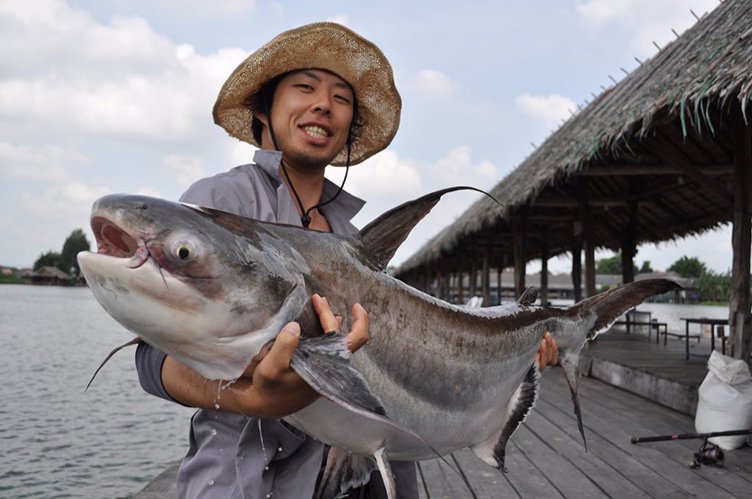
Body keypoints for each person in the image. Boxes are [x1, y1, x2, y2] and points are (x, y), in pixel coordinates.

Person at [135, 22, 559, 499]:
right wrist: (247, 398)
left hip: (371, 475)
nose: (323, 104)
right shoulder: (217, 204)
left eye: (341, 97)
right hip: (244, 482)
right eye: (304, 87)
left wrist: (520, 358)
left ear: (349, 128)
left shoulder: (353, 238)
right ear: (265, 108)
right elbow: (151, 359)